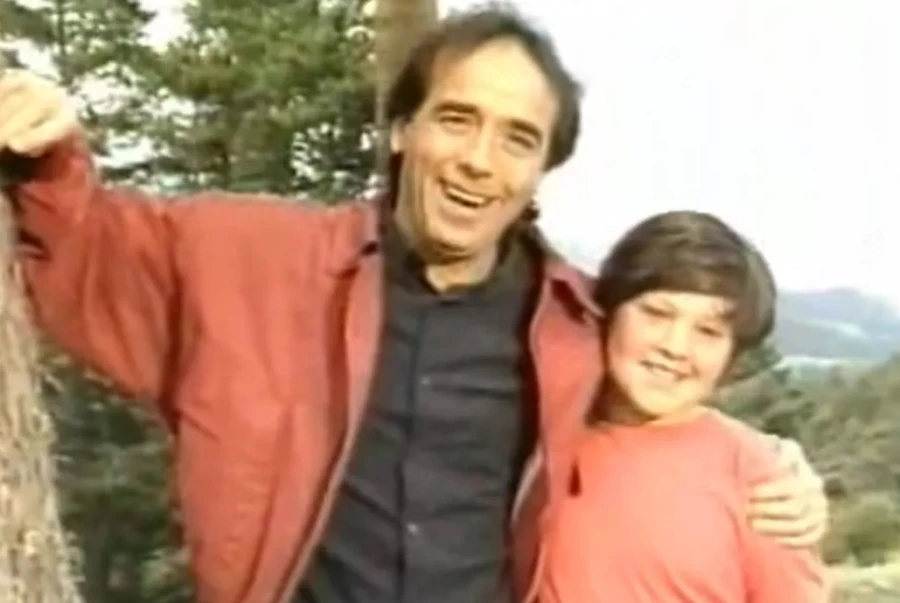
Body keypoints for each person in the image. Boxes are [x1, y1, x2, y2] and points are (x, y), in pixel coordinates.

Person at [0, 6, 828, 603]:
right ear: (402, 129)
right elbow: (79, 246)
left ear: (542, 169)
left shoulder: (573, 325)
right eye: (457, 119)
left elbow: (660, 394)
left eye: (517, 138)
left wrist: (770, 467)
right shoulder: (245, 266)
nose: (479, 160)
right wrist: (45, 137)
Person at [538, 211, 828, 602]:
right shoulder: (546, 431)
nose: (675, 346)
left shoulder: (762, 484)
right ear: (608, 311)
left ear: (732, 355)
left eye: (708, 332)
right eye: (657, 314)